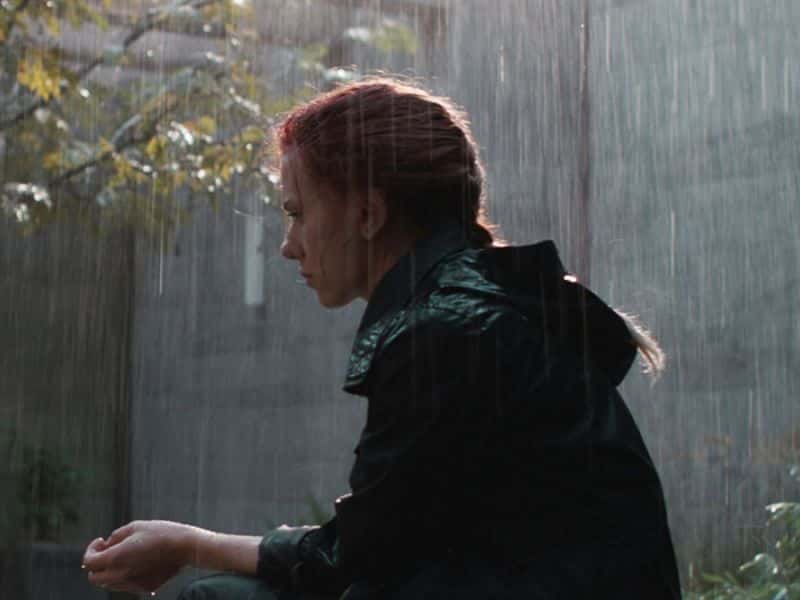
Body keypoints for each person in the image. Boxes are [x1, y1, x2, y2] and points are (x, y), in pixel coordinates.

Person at [82, 76, 682, 599]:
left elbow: (350, 560)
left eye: (296, 214)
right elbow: (379, 546)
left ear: (368, 214)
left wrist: (189, 545)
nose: (288, 245)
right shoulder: (481, 310)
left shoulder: (445, 333)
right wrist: (190, 544)